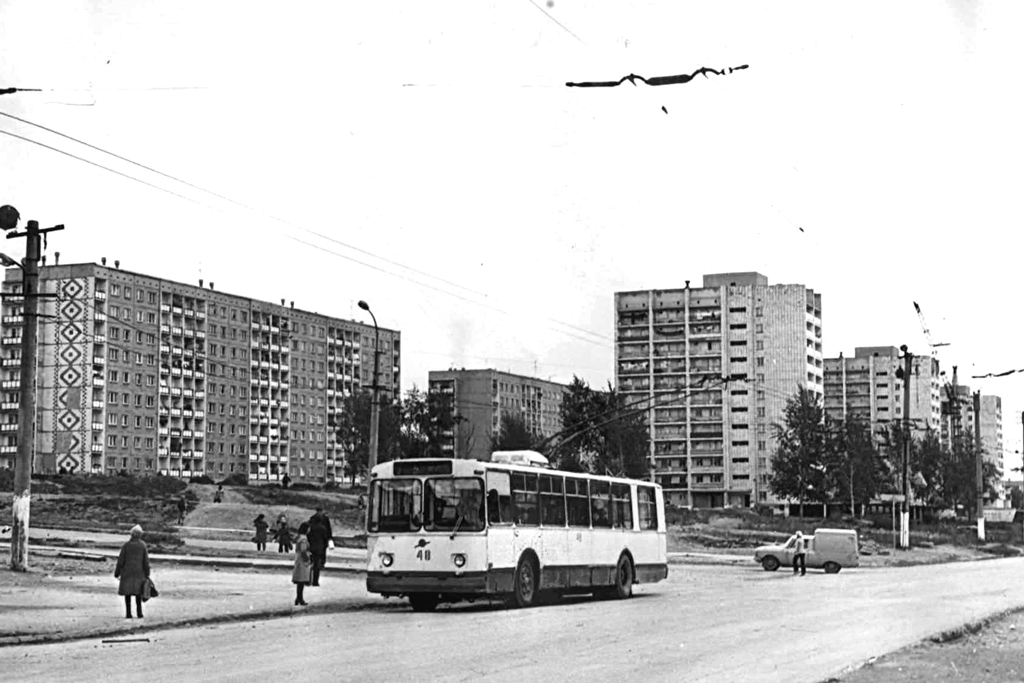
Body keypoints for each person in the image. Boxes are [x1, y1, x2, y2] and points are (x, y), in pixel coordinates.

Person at [114, 525, 151, 619]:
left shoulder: (126, 545)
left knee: (128, 594)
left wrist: (117, 572)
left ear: (132, 534)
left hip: (127, 572)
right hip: (139, 572)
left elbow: (120, 560)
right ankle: (139, 613)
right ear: (140, 535)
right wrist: (147, 573)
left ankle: (128, 613)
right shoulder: (143, 545)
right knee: (138, 593)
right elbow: (146, 561)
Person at [306, 515, 330, 587]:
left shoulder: (311, 528)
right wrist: (324, 547)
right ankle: (315, 581)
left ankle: (308, 580)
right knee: (317, 565)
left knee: (309, 564)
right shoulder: (323, 528)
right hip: (319, 549)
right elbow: (325, 539)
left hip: (311, 547)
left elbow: (308, 537)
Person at [292, 522, 312, 606]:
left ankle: (298, 598)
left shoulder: (299, 537)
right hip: (302, 561)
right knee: (302, 581)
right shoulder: (304, 539)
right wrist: (307, 560)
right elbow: (303, 551)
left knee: (300, 582)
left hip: (298, 559)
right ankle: (300, 599)